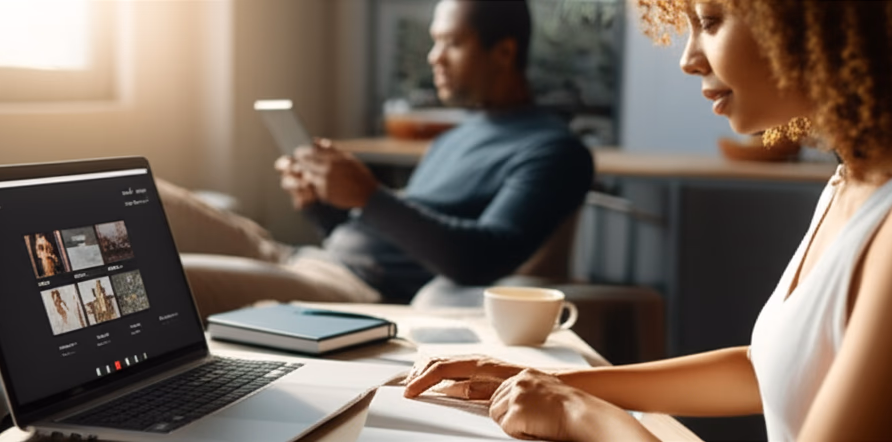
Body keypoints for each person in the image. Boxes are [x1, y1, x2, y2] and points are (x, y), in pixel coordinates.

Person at [404, 1, 892, 441]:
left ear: (814, 19)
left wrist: (586, 417)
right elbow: (765, 368)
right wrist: (554, 382)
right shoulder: (853, 179)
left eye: (710, 21)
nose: (689, 57)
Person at [161, 0, 594, 315]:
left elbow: (479, 258)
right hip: (300, 254)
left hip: (356, 290)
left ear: (504, 52)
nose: (434, 58)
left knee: (162, 280)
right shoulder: (454, 138)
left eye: (452, 43)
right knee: (148, 196)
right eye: (434, 43)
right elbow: (394, 233)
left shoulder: (554, 152)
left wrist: (368, 195)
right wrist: (323, 206)